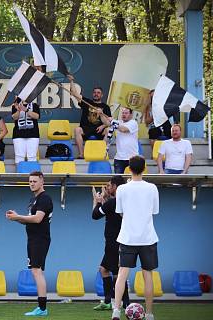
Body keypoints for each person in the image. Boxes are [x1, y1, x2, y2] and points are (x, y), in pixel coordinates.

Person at [111, 156, 159, 320]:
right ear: (144, 168)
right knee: (148, 276)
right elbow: (154, 211)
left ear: (128, 169)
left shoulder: (121, 189)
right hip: (147, 238)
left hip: (128, 238)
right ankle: (150, 314)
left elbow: (121, 212)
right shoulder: (152, 188)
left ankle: (116, 311)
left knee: (122, 274)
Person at [6, 171, 53, 317]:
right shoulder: (34, 200)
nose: (32, 183)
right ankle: (41, 308)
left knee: (36, 271)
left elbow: (37, 219)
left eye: (34, 181)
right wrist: (15, 217)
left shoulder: (45, 198)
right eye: (30, 181)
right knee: (36, 271)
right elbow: (28, 219)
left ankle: (43, 308)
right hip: (32, 239)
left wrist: (19, 217)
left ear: (42, 181)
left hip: (40, 239)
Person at [91, 176, 130, 311]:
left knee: (118, 274)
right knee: (104, 269)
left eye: (109, 185)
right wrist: (103, 201)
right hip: (114, 242)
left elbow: (95, 215)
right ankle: (108, 301)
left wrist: (97, 201)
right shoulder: (120, 201)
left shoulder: (113, 202)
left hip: (115, 243)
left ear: (114, 186)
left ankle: (125, 303)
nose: (107, 187)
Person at [68, 75, 111, 159]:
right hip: (86, 128)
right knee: (77, 130)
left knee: (108, 130)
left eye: (98, 93)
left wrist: (103, 126)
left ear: (102, 95)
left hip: (99, 130)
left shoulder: (105, 107)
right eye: (94, 92)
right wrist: (71, 81)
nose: (96, 94)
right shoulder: (87, 102)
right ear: (92, 94)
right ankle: (81, 154)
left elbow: (109, 122)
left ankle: (101, 153)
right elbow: (74, 93)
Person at [11, 98, 40, 164]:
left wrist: (26, 110)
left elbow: (37, 116)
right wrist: (18, 110)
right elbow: (14, 118)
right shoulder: (15, 106)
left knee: (32, 156)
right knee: (19, 157)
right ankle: (19, 173)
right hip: (18, 135)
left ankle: (32, 173)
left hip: (33, 134)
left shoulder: (35, 105)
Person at [111, 108, 139, 174]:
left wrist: (113, 122)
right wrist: (101, 114)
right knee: (118, 180)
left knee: (132, 180)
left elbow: (123, 130)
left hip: (132, 158)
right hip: (119, 158)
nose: (124, 115)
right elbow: (106, 122)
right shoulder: (118, 122)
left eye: (126, 113)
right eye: (123, 113)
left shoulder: (133, 123)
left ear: (131, 115)